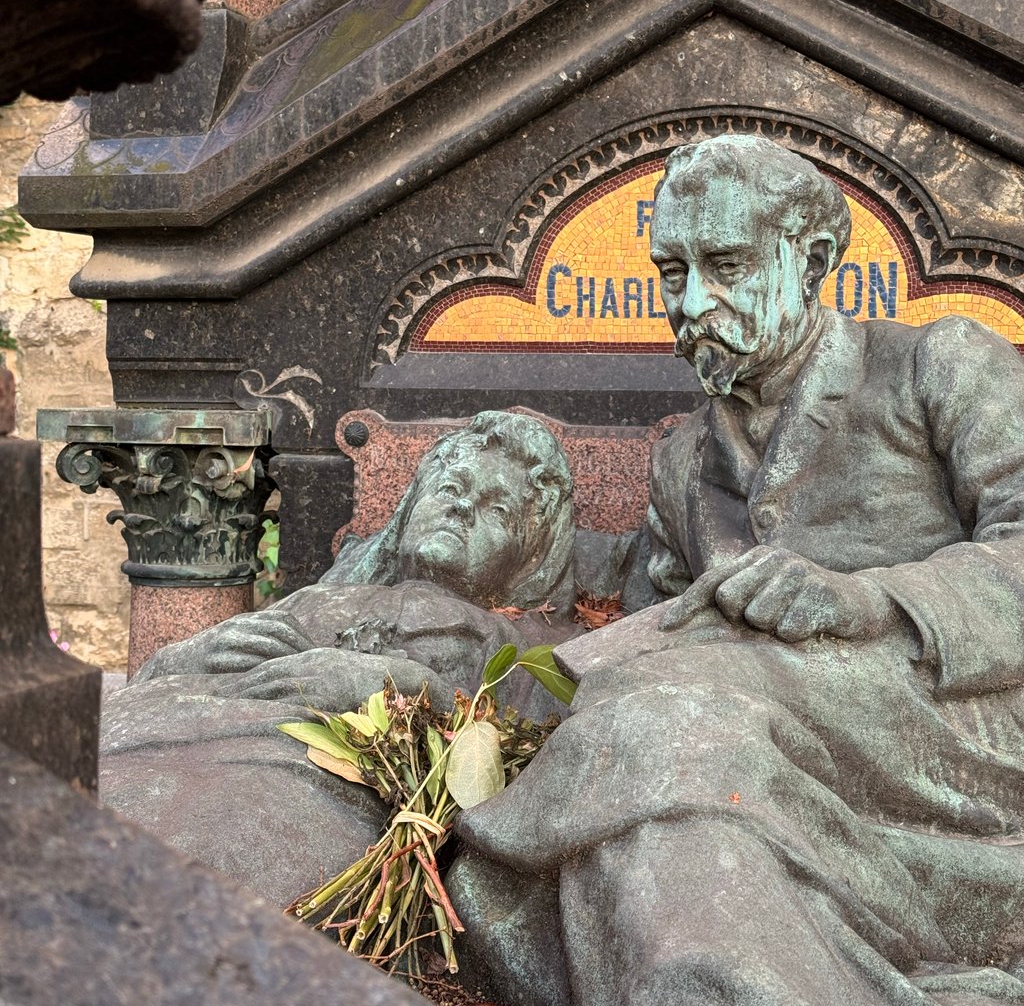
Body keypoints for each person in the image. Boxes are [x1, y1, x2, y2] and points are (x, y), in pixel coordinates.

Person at [455, 136, 1024, 1006]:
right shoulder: (683, 462)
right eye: (672, 271)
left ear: (816, 259)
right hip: (737, 736)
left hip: (942, 733)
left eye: (724, 263)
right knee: (630, 726)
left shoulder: (940, 363)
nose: (692, 301)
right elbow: (648, 635)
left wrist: (870, 600)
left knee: (661, 721)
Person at [101, 410, 576, 905]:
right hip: (183, 727)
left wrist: (398, 681)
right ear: (412, 504)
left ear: (530, 558)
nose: (461, 510)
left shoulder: (515, 644)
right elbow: (156, 676)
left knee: (221, 836)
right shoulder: (322, 597)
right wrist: (193, 652)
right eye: (451, 488)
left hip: (308, 772)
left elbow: (531, 742)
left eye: (498, 511)